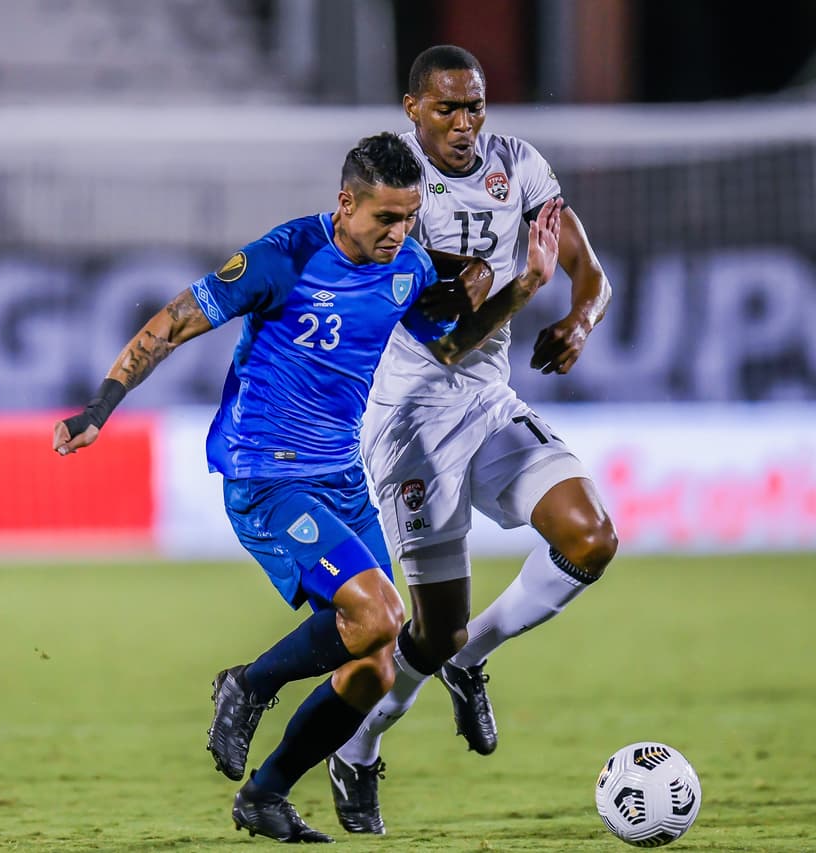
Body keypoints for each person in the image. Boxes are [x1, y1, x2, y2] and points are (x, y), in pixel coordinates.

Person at [52, 131, 561, 842]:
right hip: (267, 475)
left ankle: (266, 792)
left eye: (410, 217)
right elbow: (171, 324)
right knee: (383, 616)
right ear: (345, 203)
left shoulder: (408, 266)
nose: (400, 233)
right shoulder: (285, 256)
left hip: (341, 478)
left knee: (377, 664)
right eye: (386, 217)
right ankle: (249, 684)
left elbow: (448, 348)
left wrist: (525, 286)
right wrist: (101, 406)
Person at [326, 45, 617, 835]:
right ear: (412, 109)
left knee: (590, 537)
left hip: (487, 403)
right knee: (429, 629)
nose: (464, 124)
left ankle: (470, 656)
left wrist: (578, 319)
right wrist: (523, 287)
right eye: (447, 109)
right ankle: (356, 746)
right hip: (410, 423)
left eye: (476, 107)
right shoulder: (393, 202)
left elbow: (589, 269)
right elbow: (448, 339)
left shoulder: (519, 168)